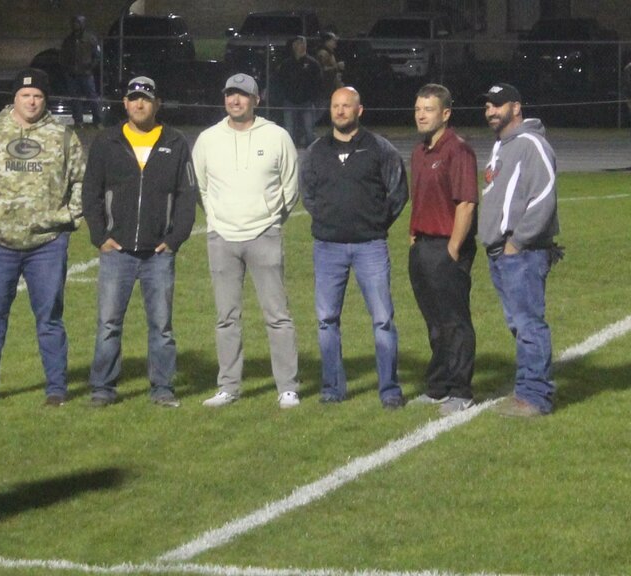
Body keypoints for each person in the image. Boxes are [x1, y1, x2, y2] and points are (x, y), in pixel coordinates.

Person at [0, 68, 85, 407]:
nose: (32, 101)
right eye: (26, 95)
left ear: (46, 100)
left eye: (39, 96)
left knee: (50, 319)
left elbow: (82, 182)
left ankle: (56, 389)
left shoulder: (63, 136)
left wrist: (70, 216)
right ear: (14, 97)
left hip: (47, 243)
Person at [81, 76, 198, 407]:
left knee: (161, 326)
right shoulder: (107, 142)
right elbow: (90, 192)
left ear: (157, 103)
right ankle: (103, 387)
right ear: (125, 104)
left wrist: (175, 239)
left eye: (146, 98)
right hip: (116, 251)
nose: (139, 103)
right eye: (133, 98)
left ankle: (162, 388)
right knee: (108, 324)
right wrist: (100, 236)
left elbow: (187, 196)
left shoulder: (175, 143)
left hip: (158, 254)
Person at [192, 73, 301, 409]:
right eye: (230, 95)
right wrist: (216, 218)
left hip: (264, 234)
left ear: (257, 99)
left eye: (242, 95)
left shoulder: (277, 136)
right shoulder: (208, 139)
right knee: (226, 316)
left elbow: (290, 186)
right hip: (222, 237)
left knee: (277, 315)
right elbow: (201, 186)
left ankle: (288, 387)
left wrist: (269, 219)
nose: (235, 100)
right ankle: (228, 387)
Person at [299, 86, 408, 409]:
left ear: (359, 110)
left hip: (370, 246)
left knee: (383, 319)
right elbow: (308, 194)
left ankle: (389, 389)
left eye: (347, 106)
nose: (341, 111)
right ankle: (332, 387)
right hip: (327, 247)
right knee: (326, 319)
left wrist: (375, 223)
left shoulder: (379, 148)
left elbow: (398, 191)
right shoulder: (317, 151)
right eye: (335, 106)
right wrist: (330, 221)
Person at [479, 82, 561, 417]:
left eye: (498, 105)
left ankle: (535, 397)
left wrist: (517, 241)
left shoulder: (530, 143)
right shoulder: (502, 146)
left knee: (528, 324)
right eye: (487, 106)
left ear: (516, 106)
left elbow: (544, 197)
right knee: (519, 324)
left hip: (522, 252)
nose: (491, 111)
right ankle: (527, 390)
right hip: (502, 252)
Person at [407, 83, 478, 415]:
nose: (422, 115)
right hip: (422, 248)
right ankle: (437, 386)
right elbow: (419, 199)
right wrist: (412, 236)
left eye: (429, 109)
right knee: (434, 322)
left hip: (446, 248)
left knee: (454, 321)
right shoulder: (420, 151)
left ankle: (461, 389)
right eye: (419, 109)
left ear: (446, 113)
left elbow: (466, 203)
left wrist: (453, 248)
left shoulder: (458, 150)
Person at [276, 36, 322, 148]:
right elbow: (280, 80)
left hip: (306, 101)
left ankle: (311, 151)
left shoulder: (312, 63)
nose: (300, 46)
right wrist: (284, 95)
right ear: (293, 46)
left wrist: (313, 98)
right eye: (297, 43)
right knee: (289, 129)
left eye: (302, 43)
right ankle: (290, 150)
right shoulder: (287, 64)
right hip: (289, 101)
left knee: (309, 129)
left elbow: (318, 82)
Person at [60, 14, 103, 126]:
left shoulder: (90, 39)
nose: (75, 25)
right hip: (72, 74)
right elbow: (63, 56)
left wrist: (90, 67)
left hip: (86, 74)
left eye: (78, 23)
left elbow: (97, 55)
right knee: (75, 99)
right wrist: (66, 69)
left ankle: (97, 121)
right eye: (74, 23)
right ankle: (78, 121)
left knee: (92, 98)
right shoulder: (69, 40)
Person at [315, 31, 345, 98]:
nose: (335, 42)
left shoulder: (330, 53)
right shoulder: (323, 54)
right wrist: (337, 66)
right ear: (327, 41)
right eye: (333, 40)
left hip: (331, 89)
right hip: (325, 90)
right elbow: (322, 70)